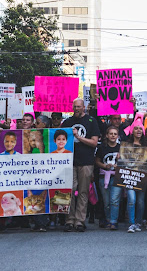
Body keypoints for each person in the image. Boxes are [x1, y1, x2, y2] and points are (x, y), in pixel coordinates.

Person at [62, 98, 101, 232]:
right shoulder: (67, 122)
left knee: (83, 192)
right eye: (75, 107)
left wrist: (78, 137)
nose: (77, 109)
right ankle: (69, 220)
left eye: (79, 107)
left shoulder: (91, 121)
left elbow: (94, 142)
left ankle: (80, 221)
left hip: (86, 162)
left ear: (84, 107)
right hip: (70, 162)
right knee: (70, 191)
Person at [124, 122, 147, 233]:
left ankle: (138, 222)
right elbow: (123, 160)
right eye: (136, 128)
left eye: (141, 129)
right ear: (132, 131)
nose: (138, 130)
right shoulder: (125, 145)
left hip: (141, 177)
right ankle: (131, 223)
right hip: (129, 175)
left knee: (140, 201)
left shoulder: (146, 146)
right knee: (132, 199)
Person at [95, 126, 121, 230]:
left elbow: (127, 162)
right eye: (111, 134)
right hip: (104, 176)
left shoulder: (121, 147)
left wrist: (119, 162)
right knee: (106, 201)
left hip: (116, 177)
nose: (113, 136)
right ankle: (108, 219)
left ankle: (114, 221)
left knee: (114, 200)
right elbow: (97, 161)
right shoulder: (102, 147)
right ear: (107, 135)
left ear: (118, 136)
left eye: (115, 134)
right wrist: (105, 166)